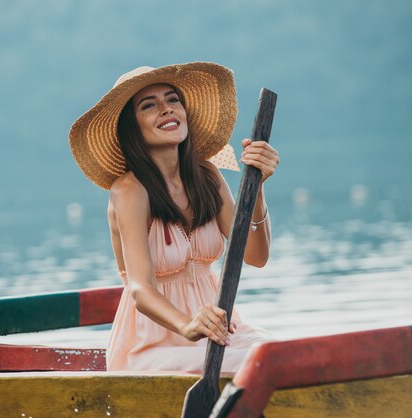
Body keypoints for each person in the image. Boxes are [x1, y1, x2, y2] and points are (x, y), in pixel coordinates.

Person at [69, 62, 280, 373]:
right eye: (149, 106)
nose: (166, 110)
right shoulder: (130, 190)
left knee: (278, 355)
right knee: (252, 366)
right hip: (153, 345)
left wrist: (256, 186)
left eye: (173, 100)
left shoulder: (206, 173)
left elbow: (255, 256)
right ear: (132, 127)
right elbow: (141, 289)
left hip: (220, 332)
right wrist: (188, 324)